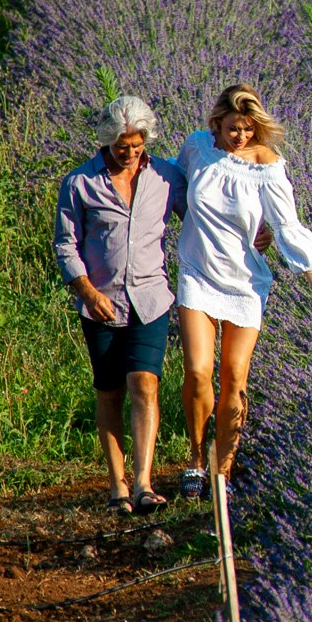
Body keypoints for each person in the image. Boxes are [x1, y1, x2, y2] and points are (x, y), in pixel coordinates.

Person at [175, 83, 312, 499]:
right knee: (199, 371)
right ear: (216, 123)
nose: (240, 137)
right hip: (197, 273)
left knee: (235, 378)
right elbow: (172, 184)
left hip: (245, 282)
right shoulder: (198, 148)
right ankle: (196, 461)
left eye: (248, 129)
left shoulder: (267, 166)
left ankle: (223, 472)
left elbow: (288, 226)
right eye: (233, 128)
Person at [54, 96, 186, 514]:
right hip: (101, 305)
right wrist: (88, 293)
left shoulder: (166, 177)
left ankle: (145, 481)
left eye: (137, 144)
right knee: (109, 392)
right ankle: (118, 487)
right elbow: (65, 245)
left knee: (145, 384)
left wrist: (251, 234)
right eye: (121, 146)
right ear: (107, 142)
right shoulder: (80, 183)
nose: (130, 153)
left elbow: (201, 221)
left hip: (151, 298)